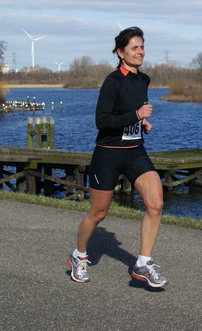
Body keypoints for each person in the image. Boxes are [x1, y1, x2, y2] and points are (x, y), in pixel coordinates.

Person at [67, 26, 167, 287]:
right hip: (108, 154)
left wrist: (141, 124)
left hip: (135, 151)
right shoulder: (112, 81)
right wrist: (136, 116)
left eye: (142, 46)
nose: (140, 51)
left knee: (155, 203)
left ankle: (143, 264)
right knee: (98, 214)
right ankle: (79, 256)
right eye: (134, 47)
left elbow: (132, 112)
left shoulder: (143, 80)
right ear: (120, 52)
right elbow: (102, 121)